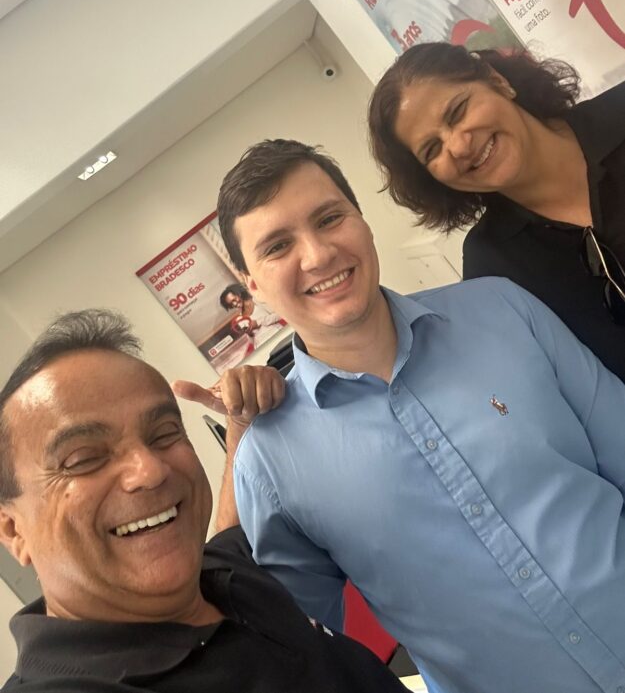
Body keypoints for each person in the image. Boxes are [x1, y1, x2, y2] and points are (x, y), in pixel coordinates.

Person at [178, 138, 625, 693]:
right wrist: (240, 435)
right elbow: (291, 652)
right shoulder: (269, 460)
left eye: (329, 218)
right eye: (277, 246)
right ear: (251, 284)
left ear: (361, 220)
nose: (317, 255)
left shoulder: (503, 309)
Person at [0, 309, 412, 693]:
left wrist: (240, 424)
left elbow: (229, 529)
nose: (150, 470)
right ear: (12, 529)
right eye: (83, 459)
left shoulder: (220, 574)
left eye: (164, 433)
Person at [367, 41, 625, 383]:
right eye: (432, 149)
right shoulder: (491, 265)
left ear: (497, 81)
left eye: (458, 111)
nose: (459, 146)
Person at [219, 282, 284, 347]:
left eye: (234, 300)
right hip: (262, 347)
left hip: (278, 337)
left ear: (239, 294)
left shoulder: (257, 300)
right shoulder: (240, 318)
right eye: (231, 304)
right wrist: (250, 334)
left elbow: (279, 315)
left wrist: (258, 322)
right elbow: (252, 342)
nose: (234, 304)